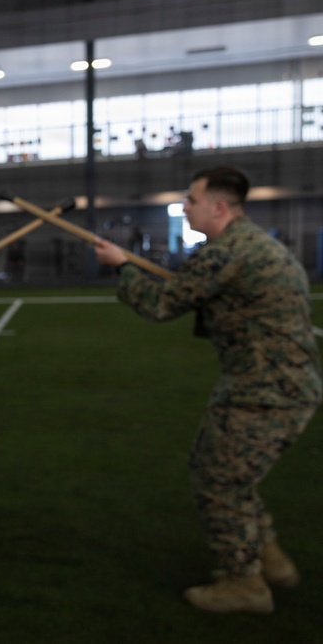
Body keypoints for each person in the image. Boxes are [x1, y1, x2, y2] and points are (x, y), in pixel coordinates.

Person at [93, 166, 321, 614]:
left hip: (264, 388)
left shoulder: (224, 253)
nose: (185, 207)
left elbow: (160, 305)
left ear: (218, 207)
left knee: (218, 481)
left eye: (191, 200)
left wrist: (121, 268)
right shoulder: (253, 244)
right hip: (280, 383)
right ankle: (267, 558)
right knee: (229, 474)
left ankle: (244, 582)